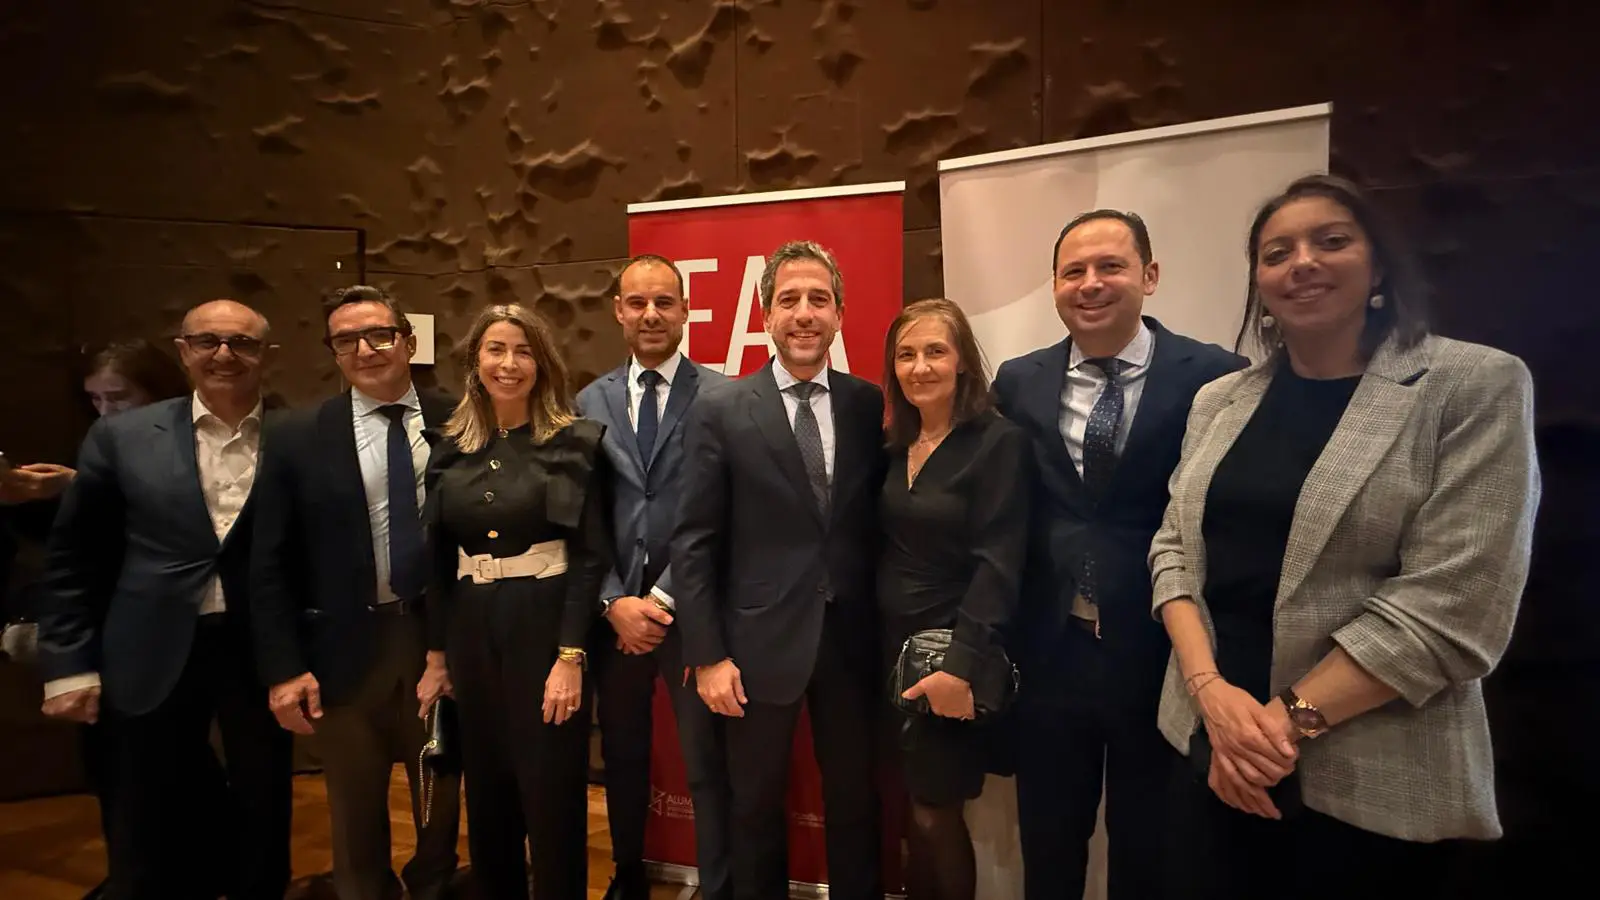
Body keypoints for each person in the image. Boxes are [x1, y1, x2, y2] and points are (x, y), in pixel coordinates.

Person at [1150, 174, 1540, 897]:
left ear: (1380, 265)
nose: (1302, 263)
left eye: (1331, 242)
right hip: (1207, 745)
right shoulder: (1220, 401)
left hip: (1367, 772)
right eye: (1277, 252)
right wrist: (1209, 696)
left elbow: (1456, 606)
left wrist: (1277, 728)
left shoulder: (1471, 385)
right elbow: (1174, 547)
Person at [992, 210, 1245, 899]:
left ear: (1150, 276)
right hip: (1051, 652)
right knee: (1048, 843)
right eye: (1074, 271)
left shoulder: (1218, 377)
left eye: (1111, 266)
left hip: (1161, 655)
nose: (1091, 284)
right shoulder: (1018, 381)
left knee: (1150, 850)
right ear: (1054, 285)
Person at [35, 299, 293, 900]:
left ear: (266, 356)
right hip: (148, 644)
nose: (224, 354)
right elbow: (75, 558)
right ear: (182, 350)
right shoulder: (120, 436)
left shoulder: (300, 436)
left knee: (264, 798)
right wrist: (67, 664)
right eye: (207, 341)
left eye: (242, 343)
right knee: (142, 802)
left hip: (260, 648)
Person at [674, 240, 886, 900]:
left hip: (852, 644)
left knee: (856, 806)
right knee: (754, 808)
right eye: (789, 299)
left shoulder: (869, 402)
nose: (804, 313)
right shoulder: (722, 409)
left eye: (818, 300)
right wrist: (707, 656)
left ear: (840, 314)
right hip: (754, 648)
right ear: (765, 312)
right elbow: (693, 543)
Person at [250, 286, 461, 900]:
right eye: (347, 340)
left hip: (438, 643)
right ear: (334, 353)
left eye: (379, 335)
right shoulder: (295, 436)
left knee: (440, 802)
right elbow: (268, 565)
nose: (365, 350)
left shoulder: (464, 421)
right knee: (354, 814)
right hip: (341, 653)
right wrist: (284, 668)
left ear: (409, 341)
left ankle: (435, 887)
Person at [423, 303, 611, 899]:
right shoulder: (449, 445)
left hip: (546, 625)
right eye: (496, 350)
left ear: (543, 362)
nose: (509, 364)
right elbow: (435, 558)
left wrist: (571, 654)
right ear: (474, 362)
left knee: (550, 790)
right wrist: (436, 656)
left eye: (523, 350)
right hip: (472, 628)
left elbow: (589, 556)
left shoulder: (575, 442)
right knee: (488, 784)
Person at [577, 255, 732, 900]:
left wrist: (662, 597)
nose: (650, 315)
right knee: (625, 757)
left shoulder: (724, 396)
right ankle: (628, 875)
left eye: (664, 302)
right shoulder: (591, 399)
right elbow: (584, 514)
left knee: (706, 762)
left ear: (686, 309)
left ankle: (721, 885)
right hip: (616, 620)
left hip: (693, 608)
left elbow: (728, 510)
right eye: (637, 303)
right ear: (618, 310)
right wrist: (614, 598)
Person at [878, 299, 1030, 900]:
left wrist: (960, 668)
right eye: (906, 354)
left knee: (935, 814)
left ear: (962, 359)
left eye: (935, 351)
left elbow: (1001, 564)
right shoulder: (896, 443)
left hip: (947, 657)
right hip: (887, 654)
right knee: (911, 811)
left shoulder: (998, 443)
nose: (920, 367)